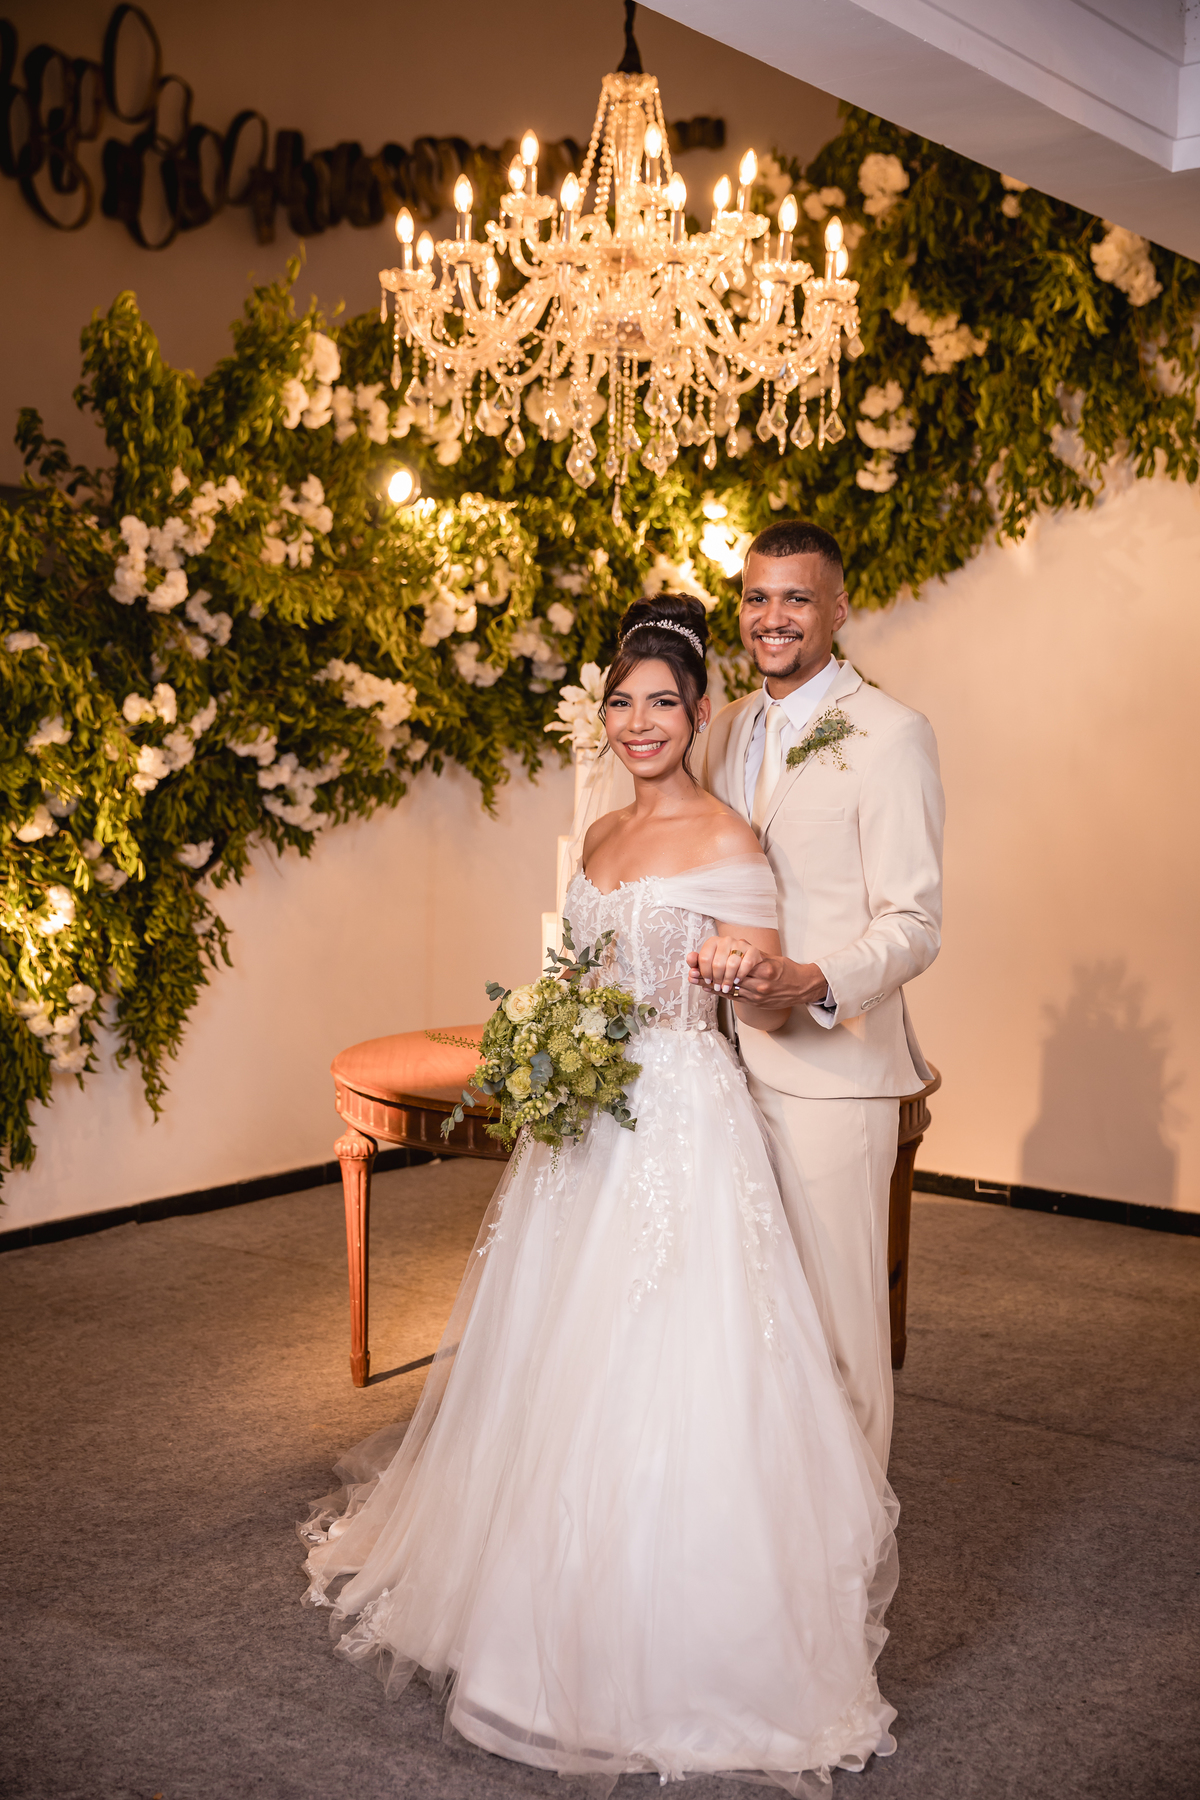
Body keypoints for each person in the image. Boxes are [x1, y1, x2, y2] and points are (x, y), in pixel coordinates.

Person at [301, 594, 900, 1793]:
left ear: (700, 712)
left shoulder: (732, 842)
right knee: (555, 1358)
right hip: (588, 1131)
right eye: (622, 702)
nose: (639, 722)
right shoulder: (599, 836)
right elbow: (578, 972)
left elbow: (765, 996)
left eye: (662, 702)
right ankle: (527, 1615)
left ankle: (688, 1652)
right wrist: (549, 1037)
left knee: (674, 1363)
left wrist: (745, 970)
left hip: (682, 1123)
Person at [694, 522, 945, 1471]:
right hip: (718, 1070)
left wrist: (816, 980)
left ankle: (856, 1542)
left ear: (838, 609)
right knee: (750, 1319)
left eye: (796, 598)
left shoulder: (892, 734)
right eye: (757, 597)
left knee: (842, 1331)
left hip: (834, 1076)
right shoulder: (722, 730)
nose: (773, 617)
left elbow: (914, 923)